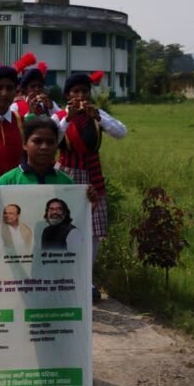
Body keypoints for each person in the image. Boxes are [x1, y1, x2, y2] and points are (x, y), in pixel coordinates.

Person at [0, 115, 76, 386]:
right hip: (19, 279)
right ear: (25, 144)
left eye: (51, 142)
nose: (44, 147)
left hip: (53, 281)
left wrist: (88, 199)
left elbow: (74, 225)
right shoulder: (8, 181)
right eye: (37, 141)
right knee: (22, 346)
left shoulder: (65, 182)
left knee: (51, 346)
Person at [53, 72, 126, 268]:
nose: (81, 96)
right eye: (76, 91)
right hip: (67, 174)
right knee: (65, 223)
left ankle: (88, 275)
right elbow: (52, 141)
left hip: (93, 175)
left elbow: (121, 133)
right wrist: (68, 119)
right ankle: (65, 270)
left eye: (85, 91)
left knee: (93, 229)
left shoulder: (96, 114)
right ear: (68, 95)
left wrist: (99, 118)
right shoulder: (59, 116)